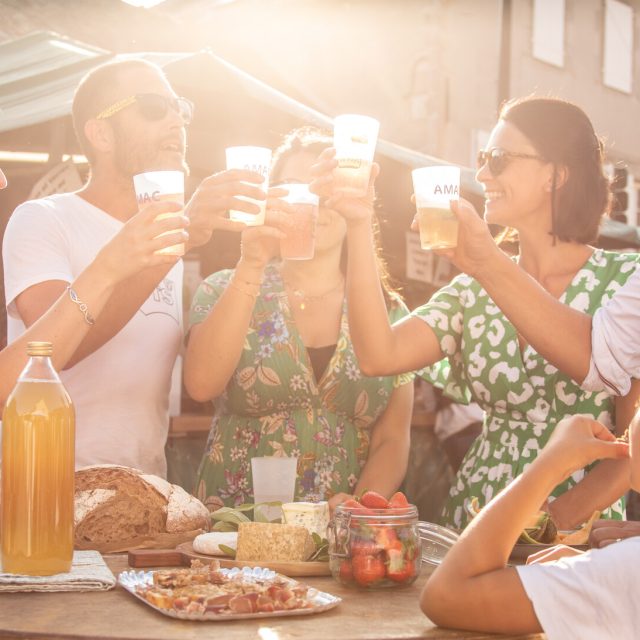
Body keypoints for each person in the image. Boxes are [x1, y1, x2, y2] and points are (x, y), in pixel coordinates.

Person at [311, 96, 640, 530]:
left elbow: (630, 448)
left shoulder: (625, 282)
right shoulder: (474, 286)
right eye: (483, 158)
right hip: (476, 512)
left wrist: (546, 526)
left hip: (576, 530)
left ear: (555, 175)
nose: (482, 174)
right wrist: (358, 221)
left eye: (498, 159)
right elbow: (378, 354)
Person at [2, 59, 265, 477]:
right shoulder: (43, 217)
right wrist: (171, 245)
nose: (177, 117)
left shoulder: (168, 239)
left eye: (180, 106)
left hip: (143, 500)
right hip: (47, 490)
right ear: (101, 132)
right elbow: (52, 356)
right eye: (153, 105)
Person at [183, 128, 414, 510]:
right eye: (293, 187)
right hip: (236, 526)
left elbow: (393, 438)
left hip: (339, 534)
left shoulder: (388, 312)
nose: (312, 201)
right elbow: (201, 384)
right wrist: (252, 262)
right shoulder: (223, 287)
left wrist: (357, 507)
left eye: (326, 187)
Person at [420, 413, 637, 640]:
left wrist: (552, 463)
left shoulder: (627, 567)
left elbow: (447, 596)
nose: (630, 420)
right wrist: (595, 570)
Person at [0, 166, 187, 405]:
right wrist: (107, 269)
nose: (3, 180)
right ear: (100, 135)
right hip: (55, 440)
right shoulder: (42, 217)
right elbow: (32, 367)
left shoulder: (167, 244)